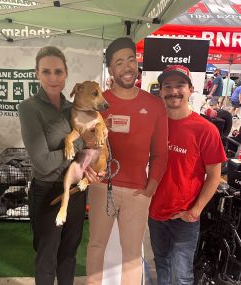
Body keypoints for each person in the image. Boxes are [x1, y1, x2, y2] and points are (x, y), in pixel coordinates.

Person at [86, 37, 168, 285]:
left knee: (132, 256)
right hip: (102, 188)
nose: (127, 67)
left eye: (131, 59)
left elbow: (160, 154)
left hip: (137, 192)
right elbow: (87, 146)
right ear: (111, 70)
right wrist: (86, 167)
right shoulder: (98, 105)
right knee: (96, 245)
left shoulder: (154, 105)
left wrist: (150, 189)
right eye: (119, 62)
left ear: (137, 62)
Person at [148, 65, 227, 285]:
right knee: (162, 266)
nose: (174, 91)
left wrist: (196, 210)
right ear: (161, 90)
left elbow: (214, 176)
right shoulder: (154, 125)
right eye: (168, 86)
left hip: (185, 216)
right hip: (155, 213)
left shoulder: (205, 130)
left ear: (191, 89)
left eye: (180, 85)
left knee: (181, 275)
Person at [18, 46, 86, 285]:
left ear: (66, 73)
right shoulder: (29, 108)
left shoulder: (74, 109)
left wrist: (87, 157)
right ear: (37, 73)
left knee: (68, 256)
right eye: (46, 71)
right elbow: (42, 163)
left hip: (76, 193)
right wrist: (78, 150)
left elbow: (92, 147)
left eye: (58, 71)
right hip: (47, 192)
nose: (53, 78)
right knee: (47, 259)